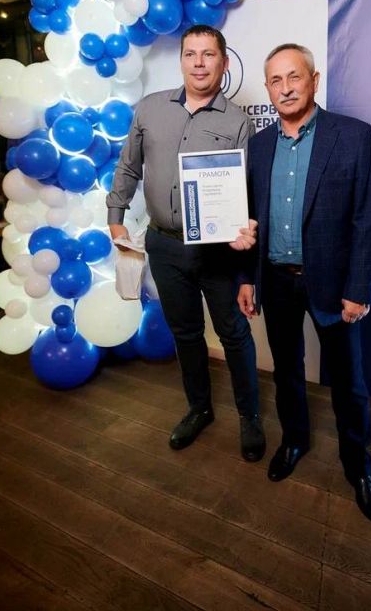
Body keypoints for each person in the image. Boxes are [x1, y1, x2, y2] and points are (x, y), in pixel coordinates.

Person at [238, 43, 371, 523]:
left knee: (348, 381)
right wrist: (247, 278)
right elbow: (248, 219)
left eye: (294, 77)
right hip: (276, 280)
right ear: (268, 89)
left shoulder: (354, 135)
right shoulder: (259, 145)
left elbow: (367, 219)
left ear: (314, 80)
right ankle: (294, 440)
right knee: (286, 371)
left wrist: (359, 288)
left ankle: (357, 465)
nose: (285, 88)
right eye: (275, 81)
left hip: (335, 284)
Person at [107, 24, 266, 463]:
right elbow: (128, 167)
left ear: (224, 63)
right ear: (180, 60)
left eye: (208, 54)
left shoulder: (239, 122)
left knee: (234, 334)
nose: (199, 63)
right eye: (191, 54)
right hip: (164, 246)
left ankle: (250, 416)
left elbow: (247, 194)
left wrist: (246, 251)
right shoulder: (150, 108)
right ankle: (199, 409)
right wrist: (115, 218)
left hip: (217, 252)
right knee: (186, 333)